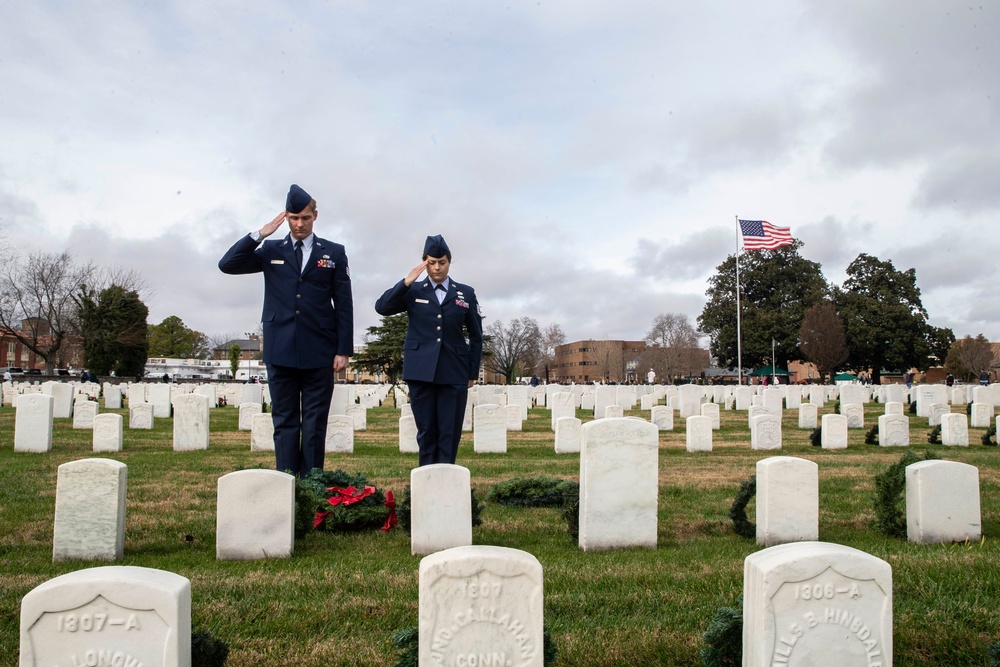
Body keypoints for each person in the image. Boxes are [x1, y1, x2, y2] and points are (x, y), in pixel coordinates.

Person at [219, 184, 354, 478]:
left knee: (315, 422)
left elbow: (344, 303)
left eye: (305, 217)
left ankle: (312, 484)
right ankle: (287, 481)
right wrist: (260, 234)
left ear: (315, 215)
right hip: (280, 348)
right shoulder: (270, 250)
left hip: (320, 349)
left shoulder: (333, 252)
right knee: (284, 420)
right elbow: (227, 265)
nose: (300, 224)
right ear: (286, 218)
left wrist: (343, 349)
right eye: (294, 218)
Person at [375, 234, 482, 466]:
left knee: (449, 433)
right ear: (424, 263)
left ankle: (446, 483)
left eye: (441, 262)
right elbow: (382, 308)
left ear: (449, 262)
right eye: (431, 262)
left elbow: (476, 336)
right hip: (420, 372)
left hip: (454, 372)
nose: (437, 268)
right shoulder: (413, 290)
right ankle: (427, 482)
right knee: (426, 432)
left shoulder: (465, 293)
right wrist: (406, 282)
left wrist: (472, 372)